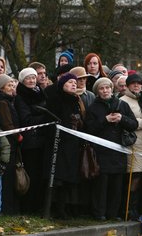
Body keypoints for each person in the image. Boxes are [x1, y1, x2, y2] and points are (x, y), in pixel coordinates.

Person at [85, 77, 138, 221]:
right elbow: (89, 129)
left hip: (119, 151)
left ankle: (113, 214)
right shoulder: (93, 108)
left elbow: (133, 124)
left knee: (117, 184)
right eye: (102, 88)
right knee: (101, 185)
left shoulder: (122, 105)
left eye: (107, 87)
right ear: (97, 91)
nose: (105, 91)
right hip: (100, 152)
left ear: (111, 88)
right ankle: (99, 213)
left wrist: (122, 118)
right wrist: (105, 120)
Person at [45, 73, 85, 219]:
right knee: (57, 179)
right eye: (70, 82)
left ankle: (65, 208)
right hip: (58, 144)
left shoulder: (76, 100)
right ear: (62, 84)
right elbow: (50, 122)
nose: (74, 84)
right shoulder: (55, 100)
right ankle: (53, 208)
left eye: (75, 82)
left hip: (73, 145)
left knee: (69, 179)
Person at [14, 67, 51, 214]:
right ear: (23, 81)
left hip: (43, 141)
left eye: (33, 78)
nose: (32, 80)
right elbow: (26, 119)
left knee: (41, 175)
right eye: (28, 78)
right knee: (32, 175)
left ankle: (38, 205)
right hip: (30, 142)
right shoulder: (21, 97)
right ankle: (28, 207)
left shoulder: (40, 93)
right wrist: (45, 118)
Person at [120, 73, 142, 219]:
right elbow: (126, 121)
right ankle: (128, 209)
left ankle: (137, 209)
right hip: (133, 144)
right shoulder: (122, 101)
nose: (137, 86)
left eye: (139, 83)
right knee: (134, 177)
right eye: (133, 83)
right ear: (128, 85)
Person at [0, 73, 21, 215]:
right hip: (8, 144)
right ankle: (6, 207)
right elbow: (7, 124)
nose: (12, 87)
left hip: (12, 143)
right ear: (2, 88)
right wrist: (17, 135)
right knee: (8, 177)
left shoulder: (10, 100)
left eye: (12, 84)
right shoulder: (3, 103)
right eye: (9, 85)